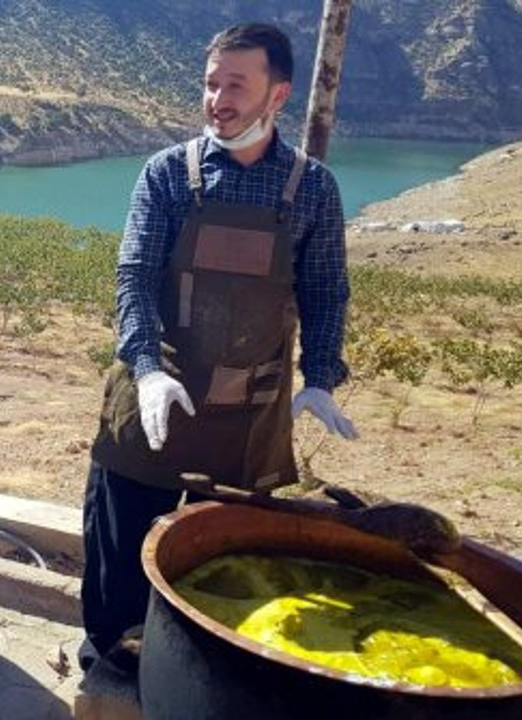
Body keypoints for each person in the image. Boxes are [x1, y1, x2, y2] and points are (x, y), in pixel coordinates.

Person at [81, 22, 358, 672]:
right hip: (156, 399)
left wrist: (318, 377)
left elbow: (326, 289)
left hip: (245, 414)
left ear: (278, 93)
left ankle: (196, 669)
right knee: (120, 551)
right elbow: (135, 275)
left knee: (217, 559)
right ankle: (112, 659)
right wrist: (146, 367)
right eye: (211, 83)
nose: (217, 99)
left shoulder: (311, 189)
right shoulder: (167, 175)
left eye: (237, 84)